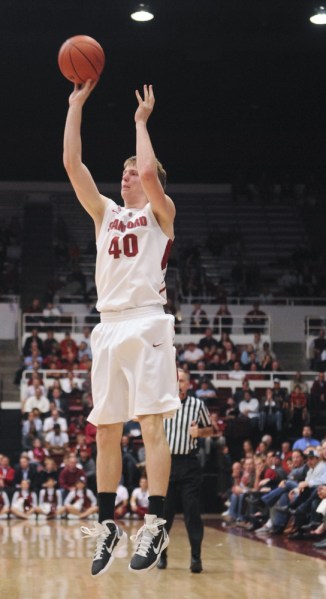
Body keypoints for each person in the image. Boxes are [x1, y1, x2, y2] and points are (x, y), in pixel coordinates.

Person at [63, 80, 180, 576]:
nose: (127, 178)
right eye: (125, 174)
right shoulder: (105, 214)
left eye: (132, 174)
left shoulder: (162, 214)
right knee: (105, 431)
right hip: (108, 326)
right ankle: (107, 522)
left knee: (151, 425)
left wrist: (140, 124)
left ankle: (155, 521)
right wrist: (74, 107)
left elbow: (151, 169)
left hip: (147, 321)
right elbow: (73, 166)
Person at [157, 369, 212, 573]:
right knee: (164, 514)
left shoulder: (198, 405)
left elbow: (211, 429)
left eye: (181, 380)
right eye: (175, 380)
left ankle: (196, 557)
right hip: (166, 464)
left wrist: (201, 431)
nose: (178, 384)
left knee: (192, 513)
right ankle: (161, 554)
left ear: (188, 384)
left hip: (189, 464)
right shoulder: (162, 405)